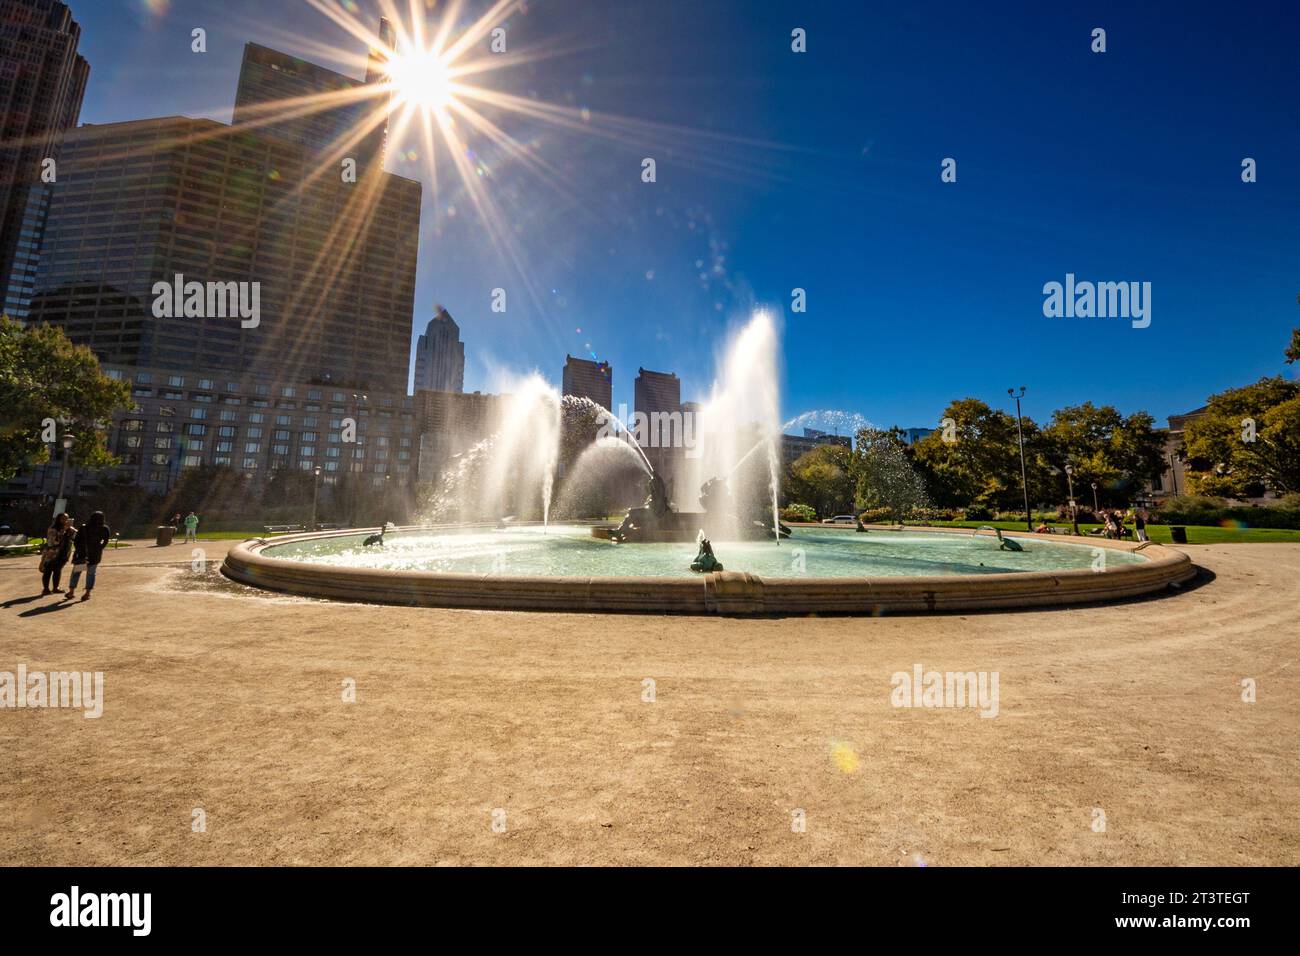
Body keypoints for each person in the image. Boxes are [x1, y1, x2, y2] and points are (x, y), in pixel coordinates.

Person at [65, 511, 111, 601]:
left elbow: (76, 541)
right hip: (95, 555)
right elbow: (105, 541)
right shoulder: (104, 528)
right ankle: (87, 593)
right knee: (91, 574)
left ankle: (71, 591)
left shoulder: (84, 527)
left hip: (82, 555)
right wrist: (99, 548)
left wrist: (79, 550)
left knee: (76, 573)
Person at [40, 513, 74, 595]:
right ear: (58, 519)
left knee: (57, 570)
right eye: (63, 519)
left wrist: (70, 531)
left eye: (67, 519)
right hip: (52, 553)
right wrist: (64, 531)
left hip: (63, 553)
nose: (65, 521)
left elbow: (71, 539)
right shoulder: (53, 529)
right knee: (48, 571)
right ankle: (46, 589)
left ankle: (55, 588)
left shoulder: (66, 528)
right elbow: (53, 542)